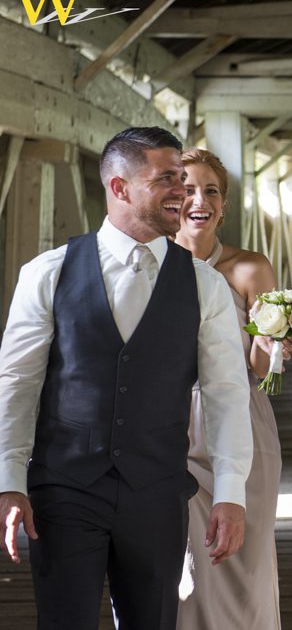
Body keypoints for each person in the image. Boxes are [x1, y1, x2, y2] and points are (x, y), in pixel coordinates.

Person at [0, 127, 253, 629]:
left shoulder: (206, 286)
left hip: (157, 492)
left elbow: (226, 393)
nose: (182, 191)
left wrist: (231, 492)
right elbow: (17, 385)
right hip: (64, 490)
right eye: (166, 179)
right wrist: (9, 483)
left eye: (182, 177)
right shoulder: (46, 273)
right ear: (119, 188)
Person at [174, 148, 283, 628]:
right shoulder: (151, 264)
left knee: (244, 563)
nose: (199, 199)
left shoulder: (249, 268)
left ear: (224, 205)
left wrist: (275, 337)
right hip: (170, 426)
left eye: (211, 190)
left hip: (240, 420)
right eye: (187, 189)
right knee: (181, 561)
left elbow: (260, 370)